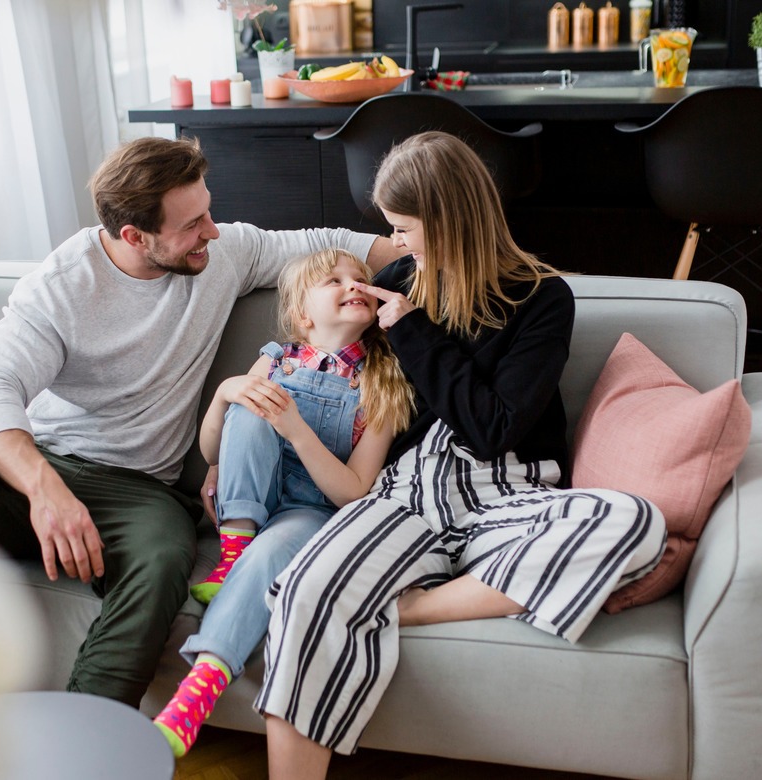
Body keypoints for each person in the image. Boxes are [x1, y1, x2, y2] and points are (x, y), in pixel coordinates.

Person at [0, 136, 397, 709]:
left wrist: (432, 254)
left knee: (162, 562)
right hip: (41, 465)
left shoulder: (221, 253)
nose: (213, 231)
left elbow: (333, 245)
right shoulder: (61, 287)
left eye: (208, 211)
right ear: (134, 236)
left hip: (140, 491)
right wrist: (44, 489)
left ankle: (89, 735)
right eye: (193, 224)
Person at [256, 132, 668, 779]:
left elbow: (493, 428)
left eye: (403, 228)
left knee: (636, 520)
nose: (396, 243)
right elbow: (313, 350)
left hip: (508, 492)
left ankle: (411, 605)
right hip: (408, 490)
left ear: (448, 220)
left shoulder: (541, 298)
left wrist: (413, 331)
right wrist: (237, 436)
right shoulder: (394, 282)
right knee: (307, 588)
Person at [152, 248, 414, 757]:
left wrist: (295, 429)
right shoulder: (275, 359)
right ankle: (231, 552)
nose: (354, 284)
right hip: (250, 496)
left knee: (270, 553)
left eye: (360, 278)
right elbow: (214, 453)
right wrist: (224, 394)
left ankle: (194, 696)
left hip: (311, 511)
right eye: (333, 280)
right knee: (252, 405)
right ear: (302, 315)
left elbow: (353, 491)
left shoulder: (383, 384)